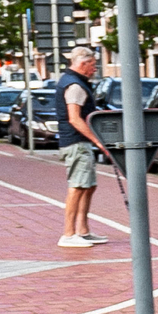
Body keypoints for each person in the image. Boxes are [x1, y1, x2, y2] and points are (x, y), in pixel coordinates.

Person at [52, 46, 110, 248]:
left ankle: (83, 230)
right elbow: (74, 119)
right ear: (83, 63)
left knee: (88, 185)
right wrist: (97, 140)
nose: (95, 69)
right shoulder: (74, 86)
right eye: (93, 65)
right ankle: (68, 234)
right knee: (77, 187)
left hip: (79, 142)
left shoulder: (75, 82)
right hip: (76, 142)